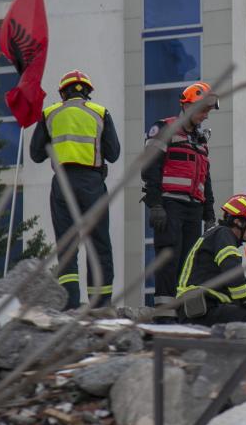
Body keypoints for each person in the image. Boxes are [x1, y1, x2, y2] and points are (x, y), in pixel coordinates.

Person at [30, 70, 120, 310]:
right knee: (99, 243)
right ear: (88, 92)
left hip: (62, 184)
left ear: (63, 92)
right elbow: (114, 153)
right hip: (92, 184)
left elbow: (36, 155)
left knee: (67, 246)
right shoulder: (100, 113)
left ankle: (69, 303)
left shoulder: (49, 114)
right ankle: (100, 303)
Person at [141, 81, 218, 312]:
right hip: (170, 206)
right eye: (203, 110)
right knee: (168, 260)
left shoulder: (201, 141)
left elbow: (206, 179)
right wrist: (155, 205)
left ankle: (184, 312)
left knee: (190, 264)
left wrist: (209, 215)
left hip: (193, 209)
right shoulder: (164, 128)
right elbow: (150, 168)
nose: (205, 115)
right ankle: (164, 314)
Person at [175, 194, 246, 333]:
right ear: (239, 222)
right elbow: (233, 274)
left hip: (208, 304)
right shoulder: (224, 234)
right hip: (200, 310)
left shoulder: (219, 235)